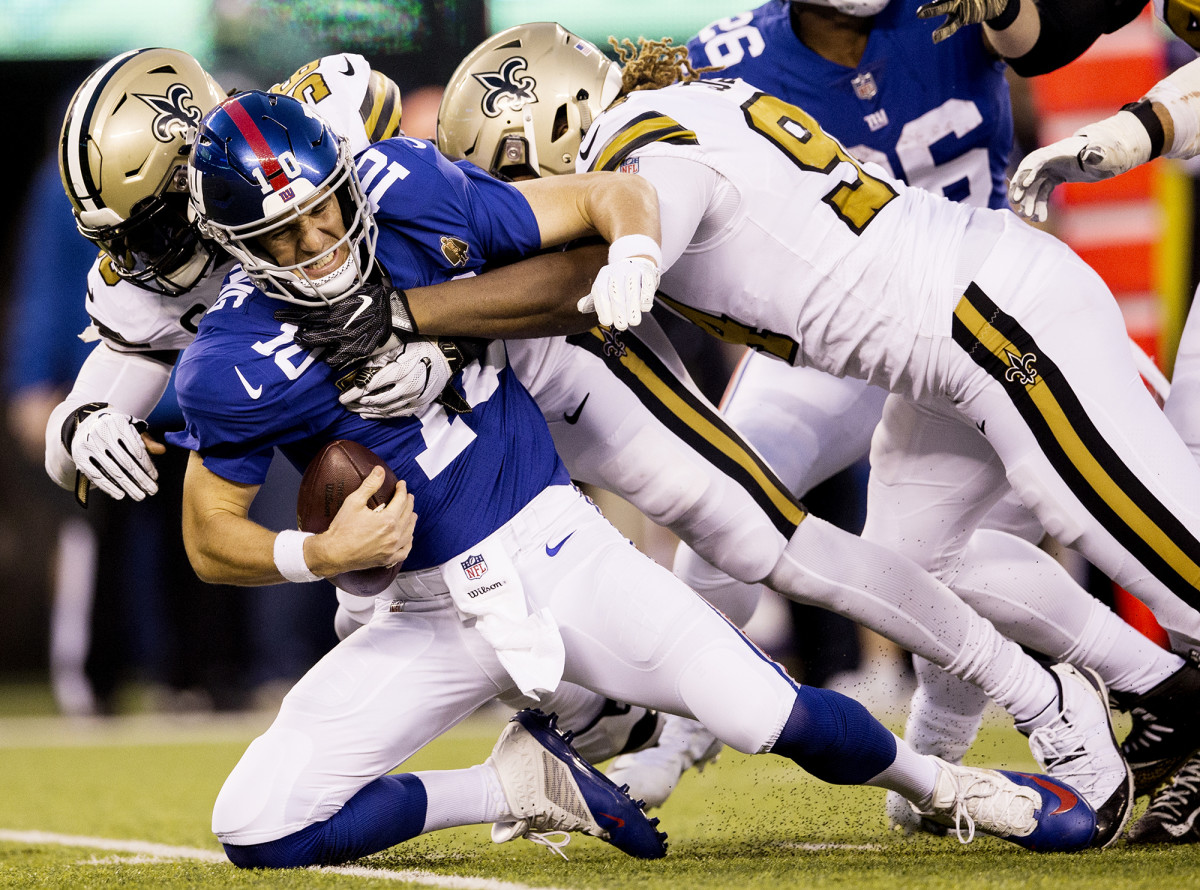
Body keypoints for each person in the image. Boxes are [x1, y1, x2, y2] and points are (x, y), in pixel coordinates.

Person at [171, 88, 1095, 867]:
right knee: (255, 824)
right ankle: (514, 783)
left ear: (345, 180)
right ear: (234, 245)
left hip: (558, 550)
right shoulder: (231, 356)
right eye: (280, 236)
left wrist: (636, 252)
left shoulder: (409, 190)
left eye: (321, 212)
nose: (315, 243)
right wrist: (315, 550)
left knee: (760, 708)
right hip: (423, 610)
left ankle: (952, 786)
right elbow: (209, 531)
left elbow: (609, 196)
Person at [430, 19, 1200, 841]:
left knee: (1156, 543)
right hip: (945, 350)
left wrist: (424, 308)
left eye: (507, 172)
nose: (519, 207)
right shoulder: (685, 106)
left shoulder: (643, 145)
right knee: (916, 567)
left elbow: (652, 202)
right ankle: (1153, 689)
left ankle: (1158, 691)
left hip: (996, 320)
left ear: (553, 117)